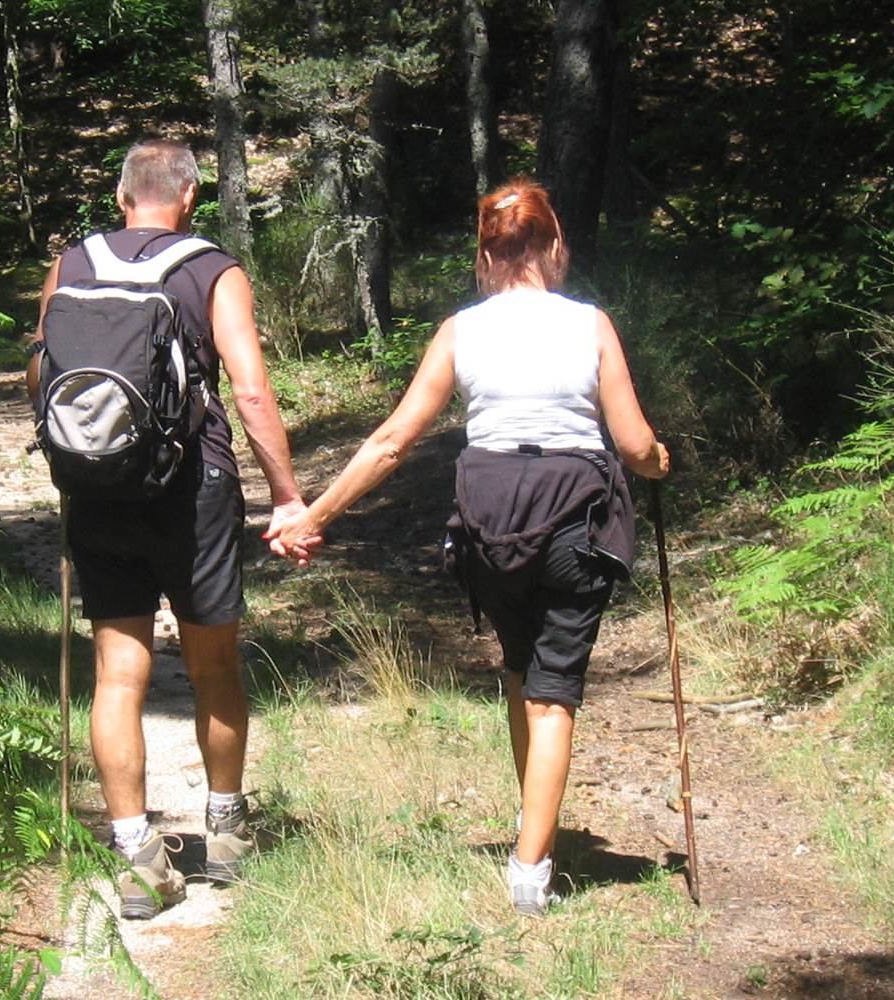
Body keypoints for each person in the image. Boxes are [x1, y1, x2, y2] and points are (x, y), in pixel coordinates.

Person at [267, 178, 671, 916]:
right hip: (574, 519)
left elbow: (392, 441)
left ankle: (532, 833)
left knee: (522, 674)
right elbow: (635, 443)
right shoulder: (590, 325)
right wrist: (657, 463)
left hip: (488, 523)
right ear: (554, 248)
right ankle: (529, 869)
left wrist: (311, 515)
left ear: (486, 258)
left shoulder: (461, 331)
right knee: (553, 696)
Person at [28, 139, 307, 919]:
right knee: (213, 666)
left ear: (122, 197)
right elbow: (249, 392)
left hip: (98, 486)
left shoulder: (72, 263)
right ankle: (225, 834)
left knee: (119, 675)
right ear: (188, 199)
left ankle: (136, 856)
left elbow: (39, 374)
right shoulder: (209, 267)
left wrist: (80, 450)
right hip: (193, 491)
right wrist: (285, 494)